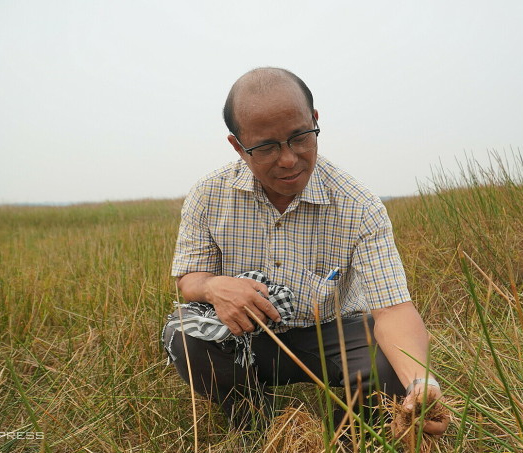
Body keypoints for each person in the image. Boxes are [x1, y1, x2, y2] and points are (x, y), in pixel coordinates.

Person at [163, 67, 449, 436]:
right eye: (266, 147)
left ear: (315, 121)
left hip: (330, 332)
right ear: (238, 146)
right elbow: (190, 279)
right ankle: (256, 428)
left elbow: (393, 308)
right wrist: (214, 287)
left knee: (388, 365)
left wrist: (420, 383)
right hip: (247, 336)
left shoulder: (358, 206)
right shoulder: (209, 195)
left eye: (300, 137)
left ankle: (347, 438)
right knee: (186, 337)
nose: (288, 159)